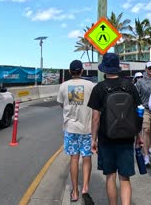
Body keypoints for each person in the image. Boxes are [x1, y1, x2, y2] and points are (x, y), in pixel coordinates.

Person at [87, 53, 143, 205]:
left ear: (104, 69)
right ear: (118, 68)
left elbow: (95, 117)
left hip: (106, 139)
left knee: (110, 176)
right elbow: (138, 111)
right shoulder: (130, 86)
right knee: (125, 178)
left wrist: (93, 139)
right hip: (127, 137)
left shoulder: (99, 88)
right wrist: (138, 135)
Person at [57, 60, 95, 204]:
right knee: (86, 158)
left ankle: (74, 191)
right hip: (87, 128)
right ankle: (85, 188)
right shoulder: (91, 86)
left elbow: (61, 104)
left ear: (69, 71)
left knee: (74, 158)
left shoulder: (64, 86)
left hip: (70, 128)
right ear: (82, 71)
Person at [135, 61, 151, 165]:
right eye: (149, 68)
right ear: (145, 69)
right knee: (146, 130)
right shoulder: (140, 81)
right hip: (145, 109)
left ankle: (149, 148)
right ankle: (146, 156)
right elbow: (136, 95)